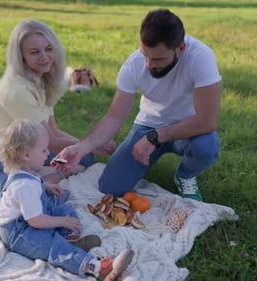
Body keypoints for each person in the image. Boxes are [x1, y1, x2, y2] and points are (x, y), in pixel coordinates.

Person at [54, 9, 221, 202]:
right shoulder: (133, 65)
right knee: (110, 187)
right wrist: (82, 147)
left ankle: (185, 175)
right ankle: (148, 156)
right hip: (148, 125)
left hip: (189, 129)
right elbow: (114, 117)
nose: (149, 65)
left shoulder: (201, 57)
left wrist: (157, 136)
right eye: (145, 55)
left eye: (158, 59)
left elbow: (206, 122)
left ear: (181, 49)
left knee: (206, 146)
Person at [0, 19, 114, 204]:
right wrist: (92, 144)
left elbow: (53, 131)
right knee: (42, 200)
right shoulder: (17, 90)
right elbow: (52, 141)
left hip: (28, 154)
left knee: (86, 158)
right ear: (21, 57)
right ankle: (45, 178)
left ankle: (45, 175)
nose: (45, 57)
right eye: (34, 52)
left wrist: (85, 148)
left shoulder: (41, 80)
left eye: (48, 49)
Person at [0, 119, 133, 280]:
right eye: (43, 150)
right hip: (20, 233)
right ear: (26, 155)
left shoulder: (26, 171)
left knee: (65, 210)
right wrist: (62, 222)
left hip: (30, 218)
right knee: (55, 246)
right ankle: (99, 269)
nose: (48, 153)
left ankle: (71, 240)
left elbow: (34, 184)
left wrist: (46, 186)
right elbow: (35, 221)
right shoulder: (23, 185)